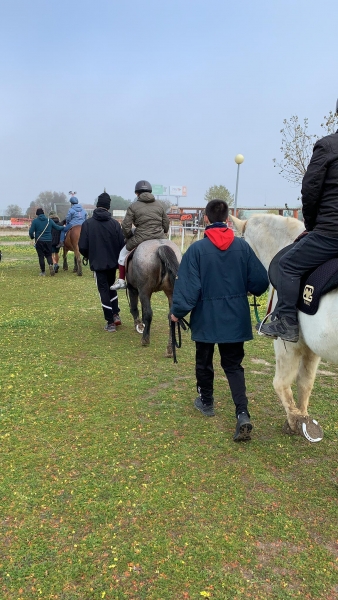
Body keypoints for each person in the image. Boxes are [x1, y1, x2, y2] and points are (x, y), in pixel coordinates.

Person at [171, 199, 269, 442]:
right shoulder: (243, 248)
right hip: (235, 317)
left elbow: (189, 286)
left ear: (205, 218)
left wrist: (177, 311)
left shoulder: (195, 250)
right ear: (228, 219)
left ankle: (206, 402)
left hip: (206, 317)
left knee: (204, 361)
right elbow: (259, 282)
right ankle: (242, 413)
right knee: (234, 366)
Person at [260, 99, 338, 343]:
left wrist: (314, 225)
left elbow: (310, 190)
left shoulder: (327, 146)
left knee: (287, 265)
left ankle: (286, 321)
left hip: (330, 234)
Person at [79, 192, 125, 332]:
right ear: (108, 206)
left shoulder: (88, 224)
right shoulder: (115, 224)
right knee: (112, 288)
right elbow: (121, 244)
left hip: (98, 264)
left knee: (103, 291)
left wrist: (89, 256)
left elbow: (82, 246)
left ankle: (110, 322)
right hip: (112, 263)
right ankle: (116, 314)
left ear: (97, 205)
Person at [111, 180, 170, 290]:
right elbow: (166, 222)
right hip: (160, 236)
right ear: (150, 192)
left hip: (141, 237)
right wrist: (164, 231)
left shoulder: (133, 206)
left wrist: (128, 236)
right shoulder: (159, 205)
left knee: (122, 255)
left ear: (137, 193)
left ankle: (121, 281)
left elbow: (126, 226)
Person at [29, 208, 65, 276]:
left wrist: (32, 237)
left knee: (41, 256)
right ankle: (51, 265)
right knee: (48, 255)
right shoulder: (49, 220)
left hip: (39, 241)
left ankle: (43, 272)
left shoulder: (35, 221)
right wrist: (64, 227)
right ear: (43, 213)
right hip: (48, 241)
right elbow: (57, 227)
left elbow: (31, 232)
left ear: (37, 214)